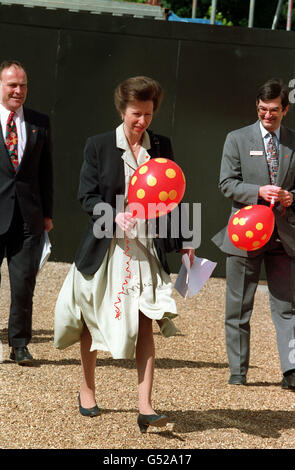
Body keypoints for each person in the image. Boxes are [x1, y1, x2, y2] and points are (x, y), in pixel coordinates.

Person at [54, 76, 194, 431]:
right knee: (91, 316)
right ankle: (87, 391)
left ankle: (145, 406)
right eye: (136, 113)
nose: (142, 121)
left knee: (146, 320)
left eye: (148, 114)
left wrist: (187, 238)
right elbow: (86, 196)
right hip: (106, 246)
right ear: (122, 109)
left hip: (146, 248)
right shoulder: (99, 145)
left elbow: (174, 196)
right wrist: (113, 214)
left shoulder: (162, 145)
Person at [212, 78, 295, 389]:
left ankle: (291, 371)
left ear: (285, 110)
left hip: (284, 236)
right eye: (262, 110)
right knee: (238, 307)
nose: (267, 116)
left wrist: (291, 197)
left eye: (274, 110)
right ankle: (238, 373)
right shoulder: (236, 139)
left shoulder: (294, 142)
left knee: (287, 308)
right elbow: (226, 184)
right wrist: (257, 191)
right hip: (245, 233)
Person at [0, 60, 53, 365]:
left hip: (28, 218)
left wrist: (47, 213)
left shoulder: (39, 122)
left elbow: (46, 172)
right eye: (12, 85)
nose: (18, 91)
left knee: (23, 284)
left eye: (23, 85)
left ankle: (19, 344)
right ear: (1, 86)